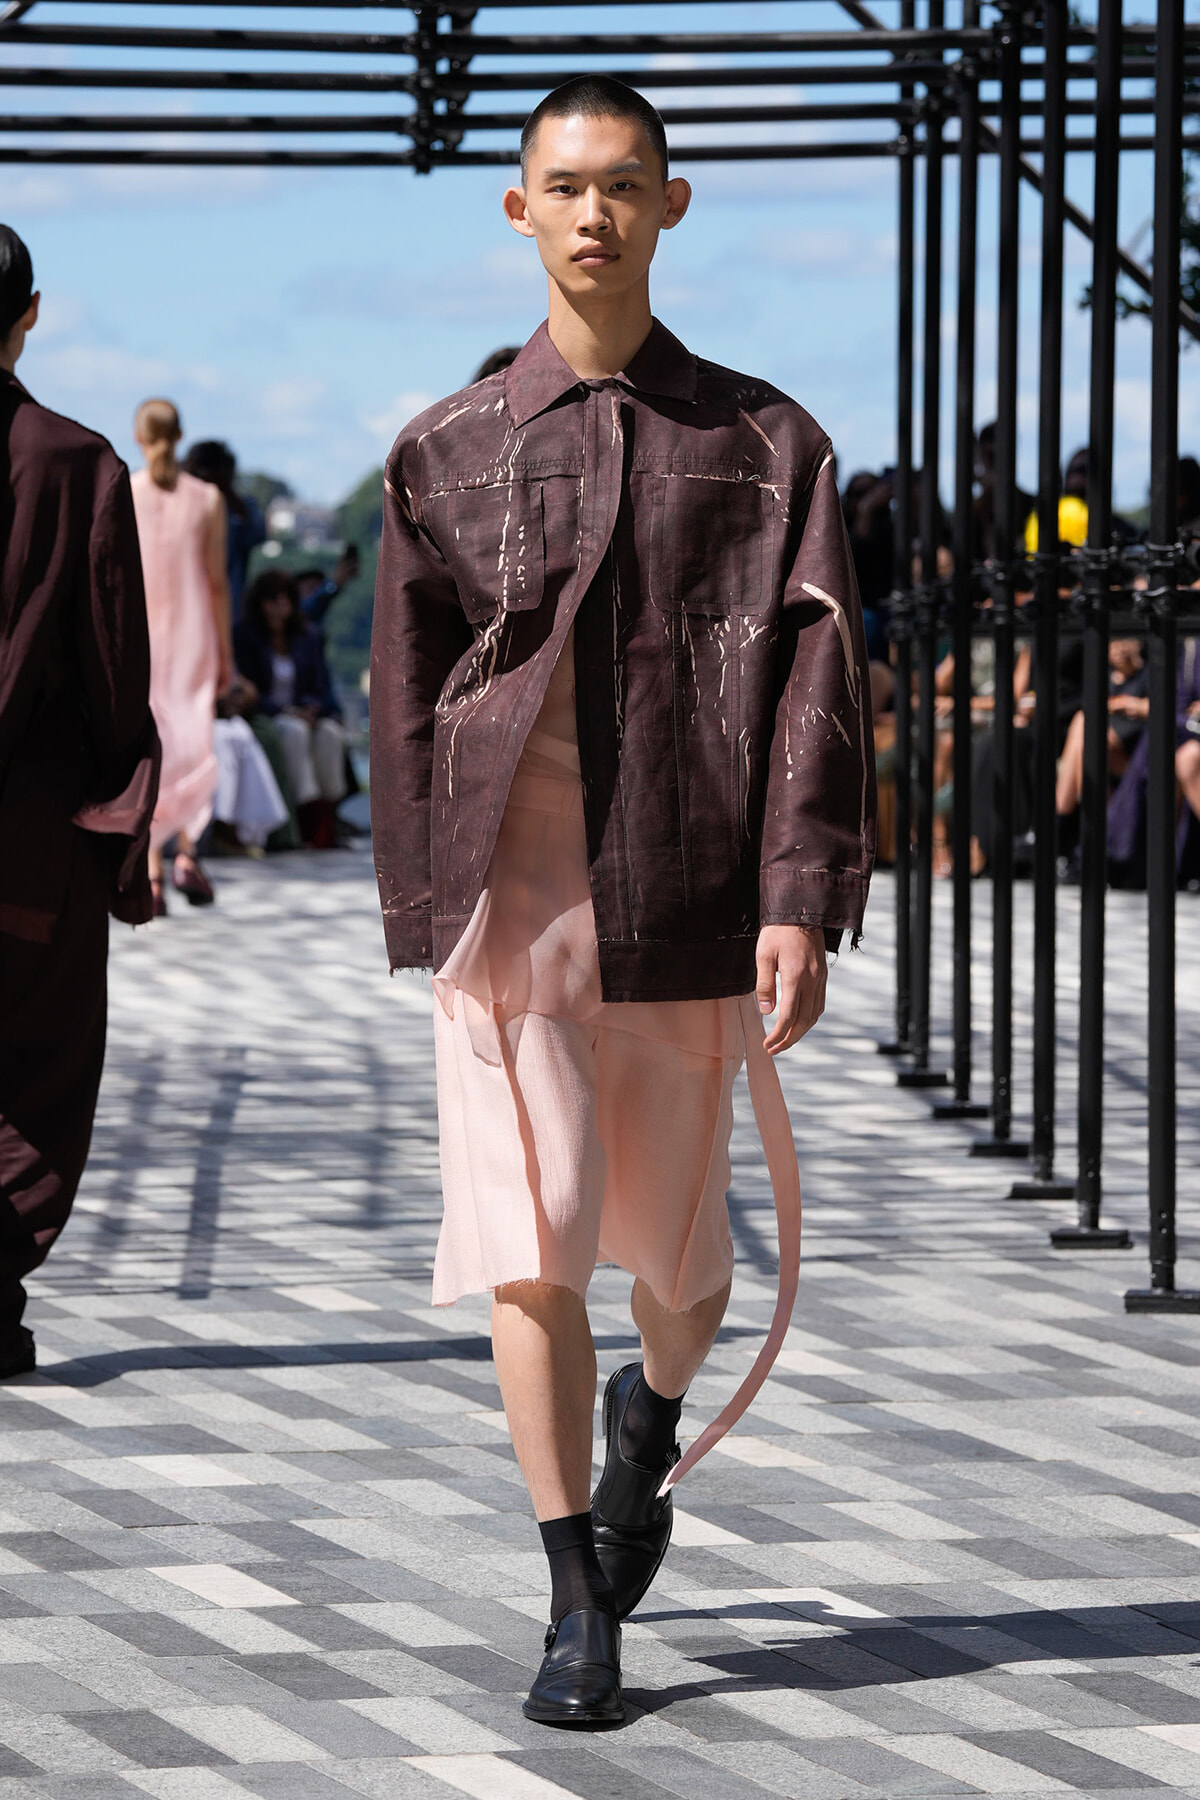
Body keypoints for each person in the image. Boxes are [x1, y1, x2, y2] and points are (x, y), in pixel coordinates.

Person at [371, 77, 875, 1727]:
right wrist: (416, 901)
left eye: (622, 185)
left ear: (671, 203)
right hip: (507, 905)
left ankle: (646, 1433)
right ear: (518, 210)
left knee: (677, 1261)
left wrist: (802, 892)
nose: (592, 212)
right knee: (536, 1247)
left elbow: (819, 687)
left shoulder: (766, 444)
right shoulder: (443, 449)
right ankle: (576, 1592)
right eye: (563, 186)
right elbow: (407, 686)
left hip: (688, 885)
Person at [0, 224, 159, 1374]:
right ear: (32, 313)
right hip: (27, 827)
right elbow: (112, 661)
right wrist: (124, 810)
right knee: (33, 1060)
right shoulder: (72, 461)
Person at [132, 400, 233, 913]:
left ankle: (150, 868)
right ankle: (187, 854)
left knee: (153, 745)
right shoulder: (209, 499)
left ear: (137, 436)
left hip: (143, 635)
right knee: (194, 746)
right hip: (195, 633)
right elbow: (217, 584)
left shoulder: (126, 491)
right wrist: (226, 654)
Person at [234, 570, 348, 847]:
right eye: (273, 598)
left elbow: (320, 684)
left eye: (285, 598)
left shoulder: (307, 636)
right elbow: (251, 688)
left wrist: (312, 708)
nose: (279, 605)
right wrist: (287, 711)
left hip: (305, 713)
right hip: (269, 714)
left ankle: (328, 812)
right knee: (294, 732)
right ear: (260, 602)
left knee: (331, 734)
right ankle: (307, 818)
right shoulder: (246, 636)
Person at [183, 438, 266, 623]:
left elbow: (257, 534)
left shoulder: (240, 508)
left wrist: (228, 495)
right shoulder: (181, 509)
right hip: (188, 609)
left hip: (229, 612)